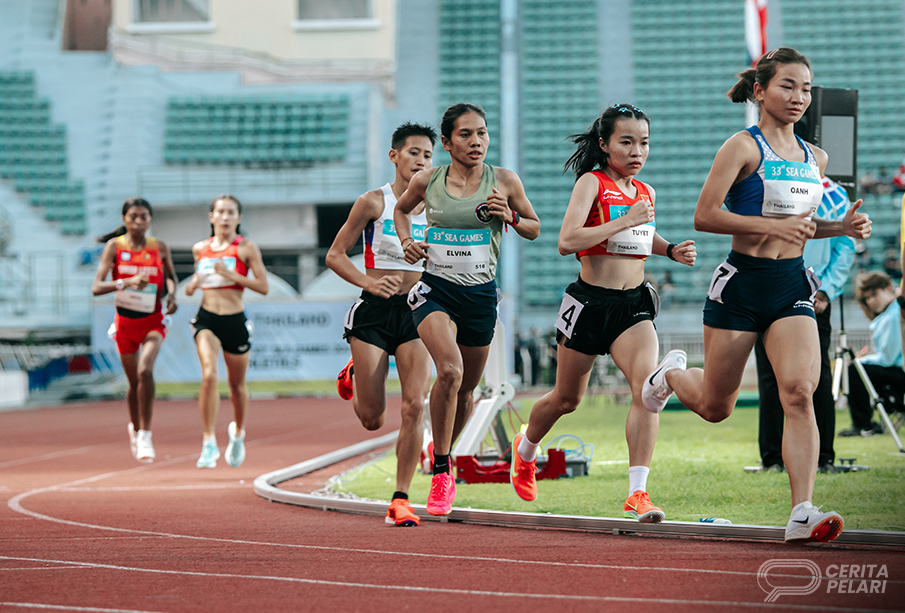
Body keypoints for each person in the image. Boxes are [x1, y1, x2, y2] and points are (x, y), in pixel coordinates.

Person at [640, 48, 871, 543]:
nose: (798, 97)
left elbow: (801, 230)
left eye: (806, 88)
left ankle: (802, 510)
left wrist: (841, 227)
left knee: (799, 392)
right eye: (788, 86)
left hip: (790, 285)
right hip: (740, 285)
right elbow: (705, 217)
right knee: (715, 407)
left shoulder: (817, 157)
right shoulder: (741, 147)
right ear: (761, 90)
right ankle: (671, 374)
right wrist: (776, 224)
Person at [508, 104, 696, 522]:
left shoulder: (646, 192)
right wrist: (623, 220)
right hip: (590, 304)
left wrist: (670, 249)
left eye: (643, 142)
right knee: (566, 399)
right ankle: (525, 451)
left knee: (647, 392)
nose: (636, 151)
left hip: (633, 307)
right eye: (626, 142)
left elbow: (641, 237)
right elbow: (567, 240)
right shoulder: (591, 184)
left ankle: (638, 493)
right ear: (604, 144)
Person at [393, 103, 540, 516]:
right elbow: (402, 211)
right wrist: (407, 242)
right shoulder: (427, 180)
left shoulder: (504, 180)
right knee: (450, 371)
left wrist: (509, 215)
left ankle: (444, 454)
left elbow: (535, 227)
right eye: (465, 135)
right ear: (446, 141)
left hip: (480, 296)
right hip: (435, 290)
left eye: (482, 133)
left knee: (468, 392)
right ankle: (442, 471)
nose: (476, 142)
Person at [326, 122, 437, 526]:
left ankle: (401, 498)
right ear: (395, 156)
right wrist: (369, 283)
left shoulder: (440, 207)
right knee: (372, 418)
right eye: (413, 153)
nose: (421, 161)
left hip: (418, 310)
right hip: (374, 312)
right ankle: (356, 372)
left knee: (413, 405)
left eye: (427, 155)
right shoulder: (374, 202)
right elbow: (335, 256)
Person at [754, 175, 855, 473]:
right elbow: (846, 249)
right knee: (802, 374)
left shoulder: (832, 195)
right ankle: (785, 458)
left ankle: (809, 457)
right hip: (777, 288)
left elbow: (844, 246)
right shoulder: (834, 194)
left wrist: (825, 291)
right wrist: (827, 289)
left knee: (811, 375)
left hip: (806, 293)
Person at [184, 195, 269, 469]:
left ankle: (238, 434)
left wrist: (234, 276)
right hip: (207, 318)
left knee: (236, 386)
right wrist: (193, 284)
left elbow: (263, 286)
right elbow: (201, 275)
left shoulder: (245, 248)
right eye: (220, 212)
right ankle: (209, 442)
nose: (224, 217)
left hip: (235, 320)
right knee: (209, 375)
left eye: (230, 212)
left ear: (238, 218)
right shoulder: (200, 248)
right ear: (211, 217)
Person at [91, 197, 177, 463]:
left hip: (153, 321)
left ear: (150, 219)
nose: (139, 222)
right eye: (133, 217)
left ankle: (146, 435)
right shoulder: (114, 247)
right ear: (124, 220)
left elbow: (171, 278)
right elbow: (96, 287)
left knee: (145, 370)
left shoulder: (159, 247)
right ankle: (135, 427)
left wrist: (173, 296)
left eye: (144, 217)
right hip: (126, 323)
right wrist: (126, 282)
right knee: (133, 383)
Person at [839, 272, 904, 436]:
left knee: (854, 370)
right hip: (896, 371)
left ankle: (863, 424)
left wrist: (861, 360)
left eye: (874, 295)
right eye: (868, 298)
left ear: (888, 289)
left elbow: (887, 358)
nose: (871, 301)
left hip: (900, 373)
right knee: (858, 369)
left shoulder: (894, 315)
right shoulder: (888, 315)